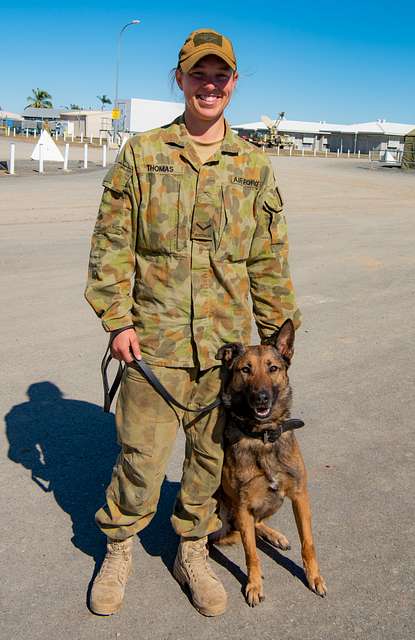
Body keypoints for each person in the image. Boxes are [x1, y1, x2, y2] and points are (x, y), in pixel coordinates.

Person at [85, 28, 301, 617]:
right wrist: (118, 319)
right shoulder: (143, 154)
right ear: (179, 80)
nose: (210, 85)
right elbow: (112, 244)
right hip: (151, 344)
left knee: (210, 462)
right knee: (141, 455)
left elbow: (268, 259)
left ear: (233, 83)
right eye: (198, 74)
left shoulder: (254, 166)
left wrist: (279, 343)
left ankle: (193, 549)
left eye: (221, 75)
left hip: (226, 356)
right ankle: (121, 546)